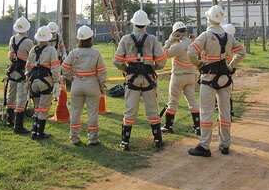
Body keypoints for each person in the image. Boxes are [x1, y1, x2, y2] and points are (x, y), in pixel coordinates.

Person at [187, 5, 245, 157]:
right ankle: (225, 144)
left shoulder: (206, 35)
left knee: (206, 112)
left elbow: (191, 52)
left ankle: (204, 146)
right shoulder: (228, 37)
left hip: (208, 78)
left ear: (209, 19)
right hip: (225, 78)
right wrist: (231, 65)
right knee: (225, 112)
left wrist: (199, 64)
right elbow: (241, 52)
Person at [113, 9, 167, 151]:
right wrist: (153, 67)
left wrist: (126, 69)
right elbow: (162, 62)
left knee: (130, 110)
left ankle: (125, 142)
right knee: (152, 109)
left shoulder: (125, 39)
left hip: (132, 79)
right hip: (149, 79)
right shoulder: (152, 39)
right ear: (146, 25)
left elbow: (117, 61)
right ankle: (157, 140)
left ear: (133, 24)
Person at [61, 25, 107, 146]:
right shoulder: (96, 53)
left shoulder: (74, 52)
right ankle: (93, 139)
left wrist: (72, 78)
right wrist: (102, 86)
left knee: (76, 112)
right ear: (91, 38)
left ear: (79, 39)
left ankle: (74, 138)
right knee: (93, 113)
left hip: (77, 84)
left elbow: (64, 68)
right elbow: (102, 72)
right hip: (92, 85)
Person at [161, 22, 200, 135]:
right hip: (190, 76)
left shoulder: (180, 46)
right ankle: (197, 127)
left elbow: (163, 53)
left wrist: (169, 40)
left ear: (176, 33)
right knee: (192, 101)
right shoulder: (193, 43)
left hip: (178, 76)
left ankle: (168, 126)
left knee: (173, 101)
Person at [26, 26, 61, 140]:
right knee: (43, 108)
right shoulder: (51, 50)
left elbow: (28, 67)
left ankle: (34, 131)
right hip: (45, 82)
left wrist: (28, 81)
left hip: (33, 82)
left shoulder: (33, 50)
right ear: (48, 38)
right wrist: (56, 82)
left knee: (37, 107)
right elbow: (55, 68)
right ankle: (40, 133)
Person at [5, 16, 33, 134]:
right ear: (27, 29)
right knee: (21, 97)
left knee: (11, 95)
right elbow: (32, 58)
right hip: (23, 72)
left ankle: (9, 121)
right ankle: (18, 126)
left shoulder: (12, 39)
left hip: (13, 71)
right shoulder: (28, 42)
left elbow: (10, 56)